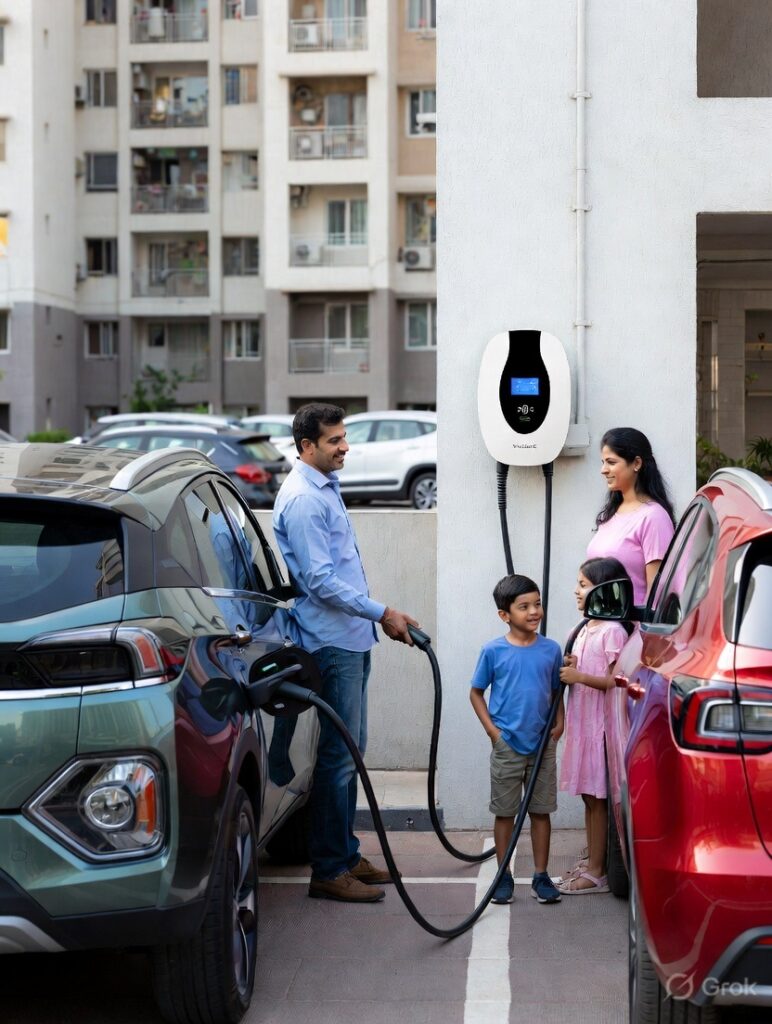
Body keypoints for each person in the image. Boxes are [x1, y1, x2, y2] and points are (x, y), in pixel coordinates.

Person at [272, 403, 418, 904]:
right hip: (332, 644)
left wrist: (374, 620)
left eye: (343, 437)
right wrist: (383, 612)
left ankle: (346, 854)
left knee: (349, 753)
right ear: (307, 446)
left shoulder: (323, 488)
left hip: (350, 639)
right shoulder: (303, 500)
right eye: (334, 440)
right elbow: (319, 580)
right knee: (338, 759)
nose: (345, 447)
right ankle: (330, 869)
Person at [469, 574, 564, 906]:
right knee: (505, 812)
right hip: (507, 744)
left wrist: (560, 721)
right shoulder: (493, 651)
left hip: (542, 744)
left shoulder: (551, 650)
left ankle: (541, 876)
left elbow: (556, 690)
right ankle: (503, 875)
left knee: (541, 811)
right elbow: (476, 693)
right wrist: (493, 733)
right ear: (504, 615)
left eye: (537, 604)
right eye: (524, 606)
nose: (534, 611)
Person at [557, 557, 633, 894]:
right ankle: (592, 862)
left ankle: (598, 872)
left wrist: (579, 676)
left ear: (604, 589)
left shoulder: (613, 631)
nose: (577, 591)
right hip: (583, 723)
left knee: (599, 799)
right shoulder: (585, 627)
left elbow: (616, 681)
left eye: (583, 585)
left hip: (600, 728)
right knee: (589, 798)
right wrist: (574, 664)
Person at [587, 427, 676, 605]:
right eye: (603, 462)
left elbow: (657, 594)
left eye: (611, 462)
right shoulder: (612, 513)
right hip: (601, 620)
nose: (603, 470)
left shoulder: (654, 517)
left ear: (636, 463)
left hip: (632, 622)